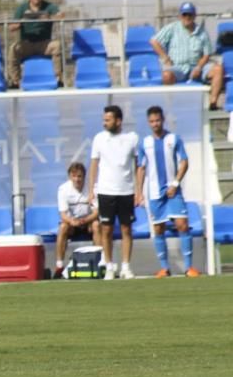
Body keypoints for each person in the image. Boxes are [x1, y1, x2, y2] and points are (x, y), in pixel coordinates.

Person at [135, 106, 201, 278]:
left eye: (157, 120)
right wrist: (139, 192)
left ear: (162, 120)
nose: (155, 124)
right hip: (155, 193)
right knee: (158, 229)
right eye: (152, 121)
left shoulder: (174, 139)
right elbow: (141, 168)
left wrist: (175, 183)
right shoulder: (145, 143)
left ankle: (188, 268)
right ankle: (165, 268)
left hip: (173, 191)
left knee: (182, 225)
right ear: (148, 123)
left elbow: (184, 162)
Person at [88, 104, 140, 280]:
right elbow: (94, 165)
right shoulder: (99, 139)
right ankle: (109, 266)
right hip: (106, 191)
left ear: (118, 121)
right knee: (106, 230)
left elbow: (138, 165)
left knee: (126, 229)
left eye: (108, 120)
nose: (105, 123)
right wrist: (91, 190)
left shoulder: (131, 138)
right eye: (104, 120)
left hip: (126, 191)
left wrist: (139, 191)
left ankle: (126, 266)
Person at [150, 2, 225, 111]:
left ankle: (213, 103)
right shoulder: (172, 28)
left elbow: (207, 53)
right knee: (166, 75)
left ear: (194, 16)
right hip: (178, 68)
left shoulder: (202, 32)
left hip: (197, 67)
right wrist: (165, 58)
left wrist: (199, 67)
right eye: (185, 15)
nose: (187, 17)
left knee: (218, 69)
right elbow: (154, 41)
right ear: (180, 16)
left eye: (190, 15)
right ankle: (169, 106)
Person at [7, 0, 63, 89]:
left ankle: (58, 79)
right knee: (13, 48)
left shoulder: (49, 6)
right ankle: (15, 81)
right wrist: (22, 21)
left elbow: (61, 16)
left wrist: (49, 18)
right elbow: (11, 27)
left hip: (44, 45)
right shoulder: (22, 8)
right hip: (27, 44)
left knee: (57, 45)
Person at [54, 162, 100, 278]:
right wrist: (72, 221)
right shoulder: (63, 189)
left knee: (97, 225)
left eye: (79, 176)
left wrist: (86, 220)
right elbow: (63, 214)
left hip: (88, 221)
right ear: (70, 177)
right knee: (63, 227)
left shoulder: (93, 188)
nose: (77, 179)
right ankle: (59, 266)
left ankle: (98, 263)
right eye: (74, 176)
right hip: (72, 224)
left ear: (84, 177)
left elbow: (96, 212)